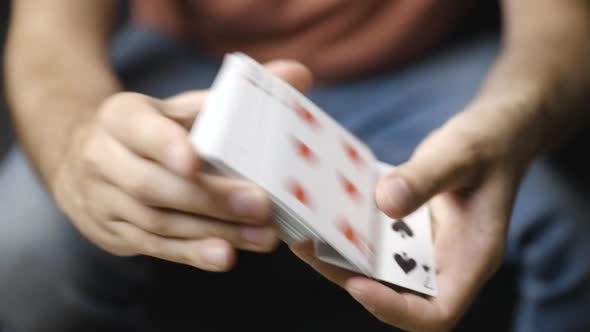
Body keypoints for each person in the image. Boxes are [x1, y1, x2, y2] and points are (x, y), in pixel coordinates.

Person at [1, 0, 589, 331]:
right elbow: (49, 31)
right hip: (191, 67)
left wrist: (516, 116)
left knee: (567, 229)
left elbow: (559, 28)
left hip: (434, 65)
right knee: (22, 243)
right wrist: (75, 147)